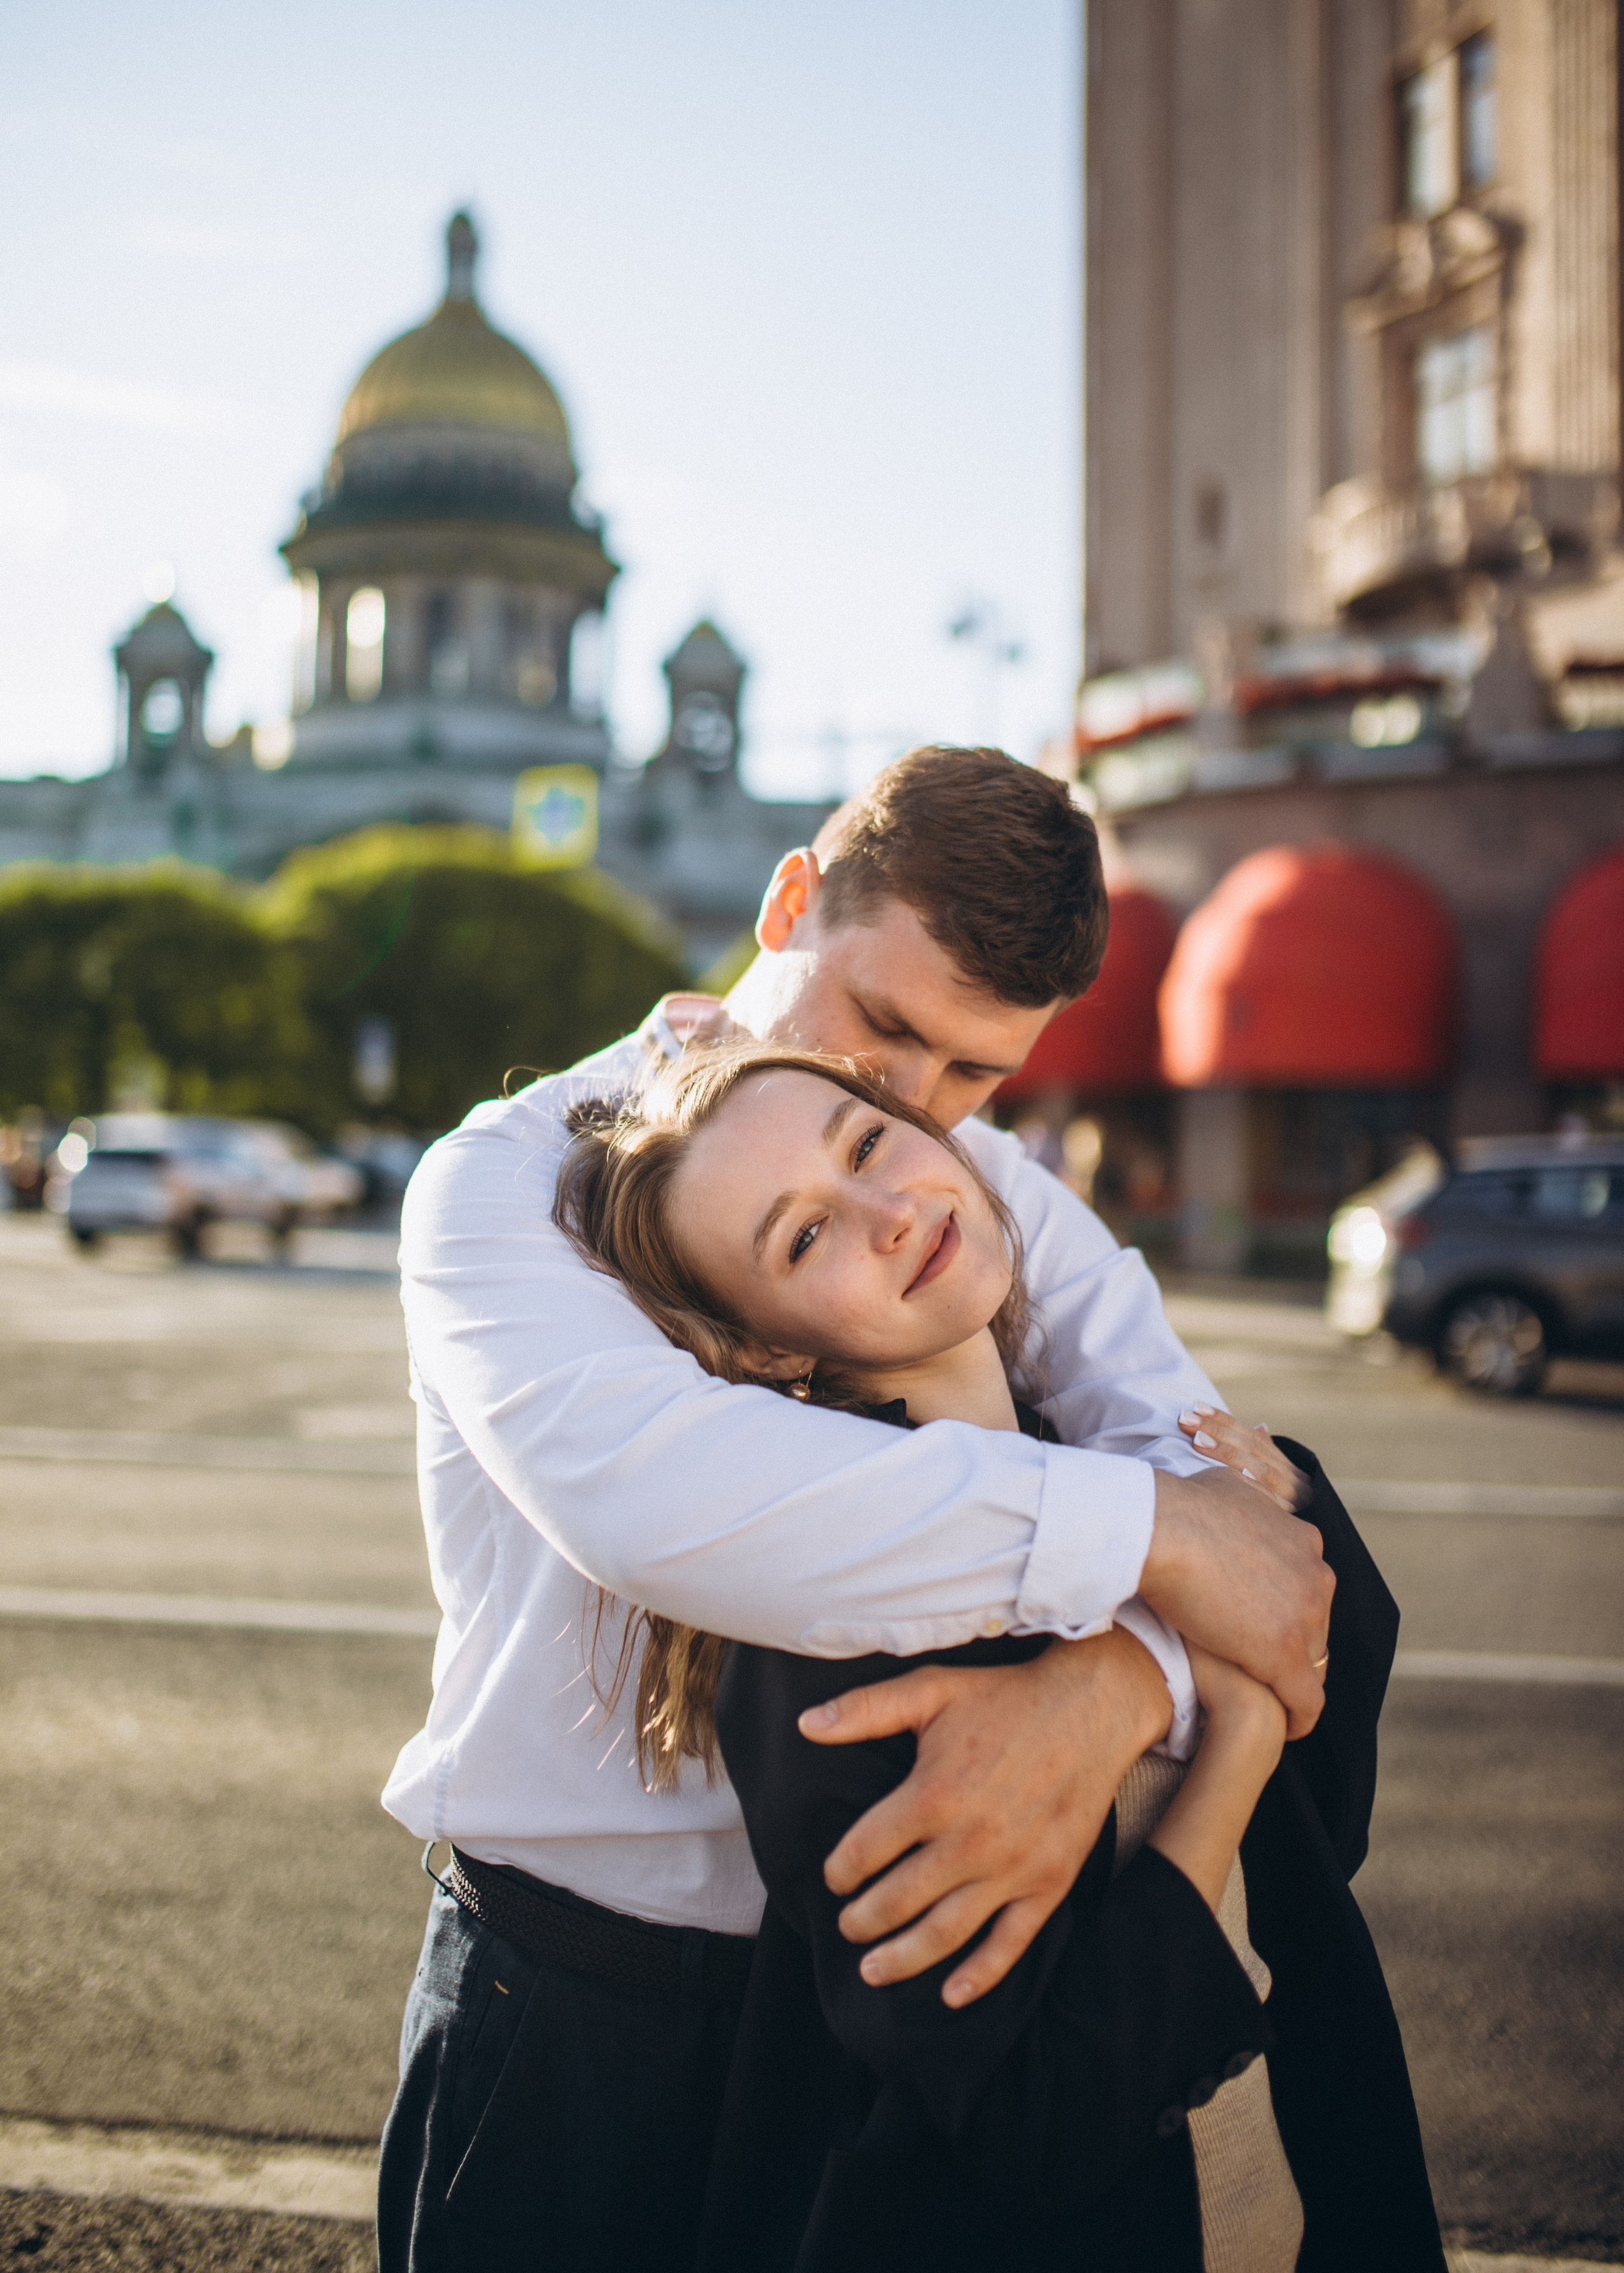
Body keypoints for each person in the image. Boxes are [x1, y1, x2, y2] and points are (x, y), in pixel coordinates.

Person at [377, 747, 1333, 2272]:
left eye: (974, 1073)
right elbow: (670, 1504)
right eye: (884, 1025)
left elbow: (1226, 1493)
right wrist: (1155, 1549)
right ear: (788, 903)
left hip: (870, 2019)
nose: (913, 1102)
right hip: (569, 2005)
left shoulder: (974, 1178)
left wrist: (1113, 1684)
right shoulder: (504, 1182)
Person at [554, 1042, 1444, 2272]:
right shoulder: (820, 1641)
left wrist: (1261, 1538)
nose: (886, 1214)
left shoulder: (1139, 1476)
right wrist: (1230, 1736)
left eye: (867, 1145)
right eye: (801, 1238)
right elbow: (1040, 2123)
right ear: (762, 1351)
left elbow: (1320, 1840)